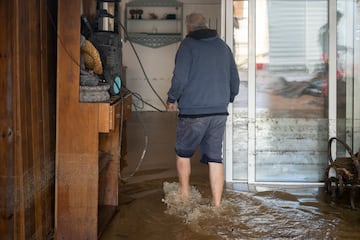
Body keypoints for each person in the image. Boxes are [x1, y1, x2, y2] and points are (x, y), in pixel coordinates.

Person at [167, 13, 240, 207]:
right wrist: (228, 98)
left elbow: (180, 78)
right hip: (219, 112)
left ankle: (184, 197)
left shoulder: (187, 46)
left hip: (193, 111)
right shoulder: (223, 47)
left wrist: (172, 98)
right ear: (206, 24)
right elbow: (235, 79)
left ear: (188, 28)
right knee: (215, 158)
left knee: (183, 153)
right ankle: (217, 205)